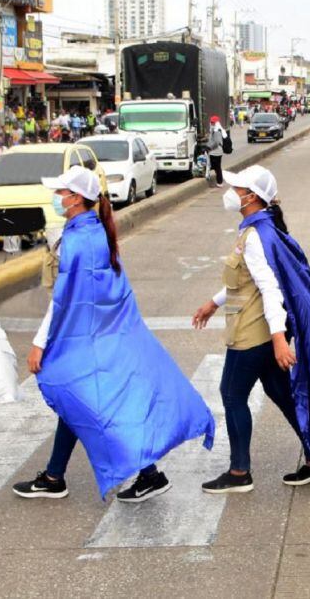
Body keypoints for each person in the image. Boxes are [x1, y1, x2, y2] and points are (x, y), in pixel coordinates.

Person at [15, 166, 214, 502]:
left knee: (80, 397)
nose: (57, 198)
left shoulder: (77, 242)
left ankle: (140, 473)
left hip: (90, 340)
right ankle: (56, 475)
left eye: (61, 193)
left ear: (76, 198)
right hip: (108, 335)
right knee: (79, 401)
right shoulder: (96, 232)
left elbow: (64, 300)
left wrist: (39, 344)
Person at [192, 166, 310, 494]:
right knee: (281, 393)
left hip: (254, 334)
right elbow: (245, 282)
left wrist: (279, 340)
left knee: (232, 395)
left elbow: (271, 288)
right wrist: (214, 302)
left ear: (252, 197)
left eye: (238, 188)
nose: (231, 192)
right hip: (262, 331)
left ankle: (239, 473)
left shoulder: (257, 236)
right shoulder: (258, 229)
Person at [206, 115, 227, 187]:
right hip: (214, 152)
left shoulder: (217, 130)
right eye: (211, 122)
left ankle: (220, 182)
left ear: (216, 123)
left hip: (216, 152)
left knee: (216, 167)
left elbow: (216, 142)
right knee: (216, 167)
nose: (211, 123)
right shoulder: (214, 130)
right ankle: (219, 182)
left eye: (213, 122)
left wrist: (209, 147)